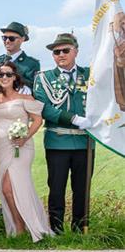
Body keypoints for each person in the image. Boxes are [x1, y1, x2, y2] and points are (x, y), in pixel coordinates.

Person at [33, 32, 94, 233]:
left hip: (85, 142)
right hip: (58, 141)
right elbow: (44, 107)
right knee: (57, 188)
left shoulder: (90, 75)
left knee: (82, 189)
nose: (60, 54)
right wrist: (74, 119)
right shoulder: (44, 78)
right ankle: (56, 230)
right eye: (56, 51)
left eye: (65, 50)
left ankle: (80, 229)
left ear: (76, 51)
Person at [0, 63, 50, 241]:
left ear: (15, 77)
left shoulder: (25, 97)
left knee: (10, 187)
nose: (4, 77)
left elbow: (37, 121)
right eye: (1, 74)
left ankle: (24, 227)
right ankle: (18, 226)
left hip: (20, 148)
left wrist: (24, 137)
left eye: (8, 74)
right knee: (5, 188)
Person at [0, 22, 40, 89]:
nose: (7, 41)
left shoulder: (32, 64)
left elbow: (32, 86)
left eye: (12, 38)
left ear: (22, 39)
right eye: (4, 38)